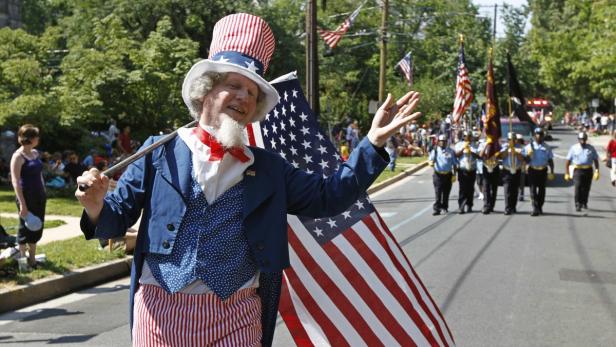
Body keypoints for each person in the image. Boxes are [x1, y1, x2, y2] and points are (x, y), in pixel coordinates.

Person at [74, 13, 422, 347]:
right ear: (207, 91)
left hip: (237, 313)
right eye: (233, 85)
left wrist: (372, 143)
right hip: (162, 310)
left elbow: (328, 197)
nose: (243, 96)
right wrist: (94, 206)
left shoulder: (269, 167)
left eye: (252, 92)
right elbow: (113, 219)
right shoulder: (159, 151)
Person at [9, 124, 46, 270]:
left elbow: (39, 175)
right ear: (30, 138)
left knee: (37, 226)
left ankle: (32, 259)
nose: (38, 139)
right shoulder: (17, 156)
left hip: (39, 196)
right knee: (25, 228)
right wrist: (22, 204)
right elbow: (15, 181)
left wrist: (43, 189)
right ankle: (23, 262)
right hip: (26, 197)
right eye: (36, 136)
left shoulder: (35, 153)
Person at [565, 132, 600, 211]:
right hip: (578, 170)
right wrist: (567, 172)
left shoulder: (591, 148)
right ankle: (577, 203)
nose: (583, 141)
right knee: (578, 186)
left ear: (586, 139)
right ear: (578, 140)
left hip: (588, 170)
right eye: (581, 140)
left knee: (586, 187)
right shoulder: (574, 148)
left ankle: (584, 202)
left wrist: (597, 170)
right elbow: (568, 161)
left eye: (584, 140)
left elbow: (595, 159)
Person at [524, 128, 555, 216]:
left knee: (542, 190)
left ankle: (540, 207)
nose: (539, 136)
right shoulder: (529, 147)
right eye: (537, 134)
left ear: (542, 136)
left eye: (540, 134)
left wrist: (552, 171)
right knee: (532, 190)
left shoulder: (547, 147)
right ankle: (535, 208)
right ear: (534, 136)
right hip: (532, 170)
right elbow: (525, 160)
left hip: (543, 170)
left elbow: (550, 160)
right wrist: (529, 155)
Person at [429, 134, 457, 216]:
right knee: (438, 192)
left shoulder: (451, 151)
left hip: (448, 174)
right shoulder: (435, 151)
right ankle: (437, 209)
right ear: (438, 142)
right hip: (438, 175)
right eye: (441, 141)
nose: (442, 143)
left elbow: (454, 163)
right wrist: (430, 162)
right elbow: (430, 160)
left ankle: (445, 207)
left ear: (446, 142)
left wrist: (454, 174)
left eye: (444, 142)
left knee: (446, 192)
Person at [498, 132, 525, 215]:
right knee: (507, 189)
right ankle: (507, 208)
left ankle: (513, 207)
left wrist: (516, 152)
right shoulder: (504, 146)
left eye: (513, 139)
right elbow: (501, 156)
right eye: (510, 139)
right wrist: (508, 149)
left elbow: (522, 159)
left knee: (515, 189)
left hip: (516, 170)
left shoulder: (520, 147)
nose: (511, 141)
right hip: (507, 170)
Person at [454, 131, 478, 214]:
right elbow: (456, 155)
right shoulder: (459, 144)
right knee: (462, 188)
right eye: (466, 136)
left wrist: (471, 151)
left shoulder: (474, 145)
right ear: (463, 137)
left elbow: (478, 156)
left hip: (472, 169)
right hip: (462, 169)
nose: (467, 137)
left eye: (469, 136)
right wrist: (463, 149)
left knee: (470, 188)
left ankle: (469, 205)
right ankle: (461, 206)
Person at [478, 136, 500, 214]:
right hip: (486, 166)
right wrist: (486, 145)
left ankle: (491, 205)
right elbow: (480, 155)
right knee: (486, 186)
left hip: (495, 166)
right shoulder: (482, 143)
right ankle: (486, 205)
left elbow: (499, 155)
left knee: (494, 188)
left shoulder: (497, 143)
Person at [516, 133, 526, 201]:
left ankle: (521, 194)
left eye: (519, 140)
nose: (518, 141)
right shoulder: (513, 147)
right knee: (515, 182)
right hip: (515, 166)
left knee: (521, 182)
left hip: (522, 167)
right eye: (517, 140)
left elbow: (525, 157)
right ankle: (515, 194)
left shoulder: (523, 147)